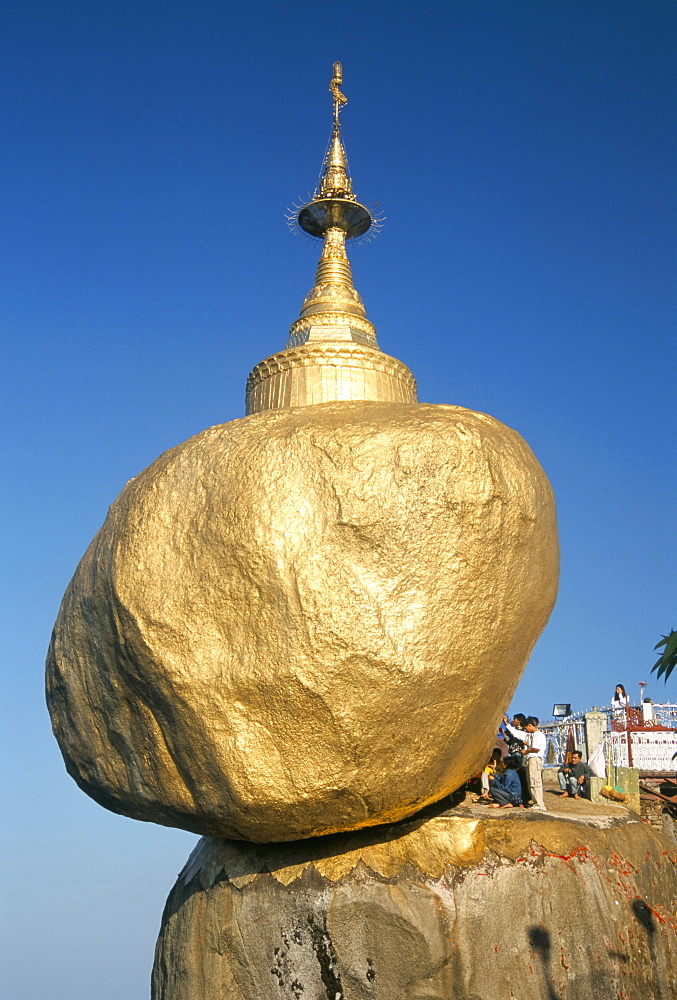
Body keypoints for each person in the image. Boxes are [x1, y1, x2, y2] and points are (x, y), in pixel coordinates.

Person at [503, 714, 547, 811]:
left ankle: (539, 804)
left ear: (530, 725)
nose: (525, 729)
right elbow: (516, 733)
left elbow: (536, 749)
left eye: (526, 727)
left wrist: (526, 751)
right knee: (531, 781)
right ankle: (536, 802)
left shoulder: (537, 735)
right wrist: (506, 723)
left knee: (535, 782)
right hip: (530, 760)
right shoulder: (529, 735)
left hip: (534, 759)